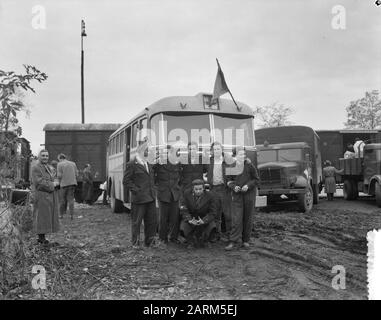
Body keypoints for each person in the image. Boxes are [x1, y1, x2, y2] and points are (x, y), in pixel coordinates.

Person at [123, 142, 157, 249]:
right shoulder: (132, 164)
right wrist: (137, 190)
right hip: (139, 199)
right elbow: (126, 181)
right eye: (148, 150)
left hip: (151, 198)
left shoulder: (148, 163)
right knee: (136, 222)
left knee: (151, 221)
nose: (149, 152)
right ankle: (135, 243)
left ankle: (149, 242)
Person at [225, 147, 259, 251]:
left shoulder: (250, 166)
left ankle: (245, 240)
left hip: (249, 195)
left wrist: (248, 186)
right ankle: (233, 241)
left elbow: (256, 179)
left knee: (248, 217)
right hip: (237, 196)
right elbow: (228, 181)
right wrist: (234, 186)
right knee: (236, 218)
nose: (243, 156)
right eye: (240, 154)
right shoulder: (231, 166)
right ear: (235, 155)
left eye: (244, 154)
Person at [30, 150, 60, 245]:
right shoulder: (36, 167)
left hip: (49, 195)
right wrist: (52, 184)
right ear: (39, 156)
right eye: (43, 155)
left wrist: (56, 182)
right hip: (41, 195)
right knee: (41, 216)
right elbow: (38, 183)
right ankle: (41, 238)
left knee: (47, 216)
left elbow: (53, 177)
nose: (45, 157)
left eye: (47, 156)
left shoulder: (48, 167)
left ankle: (43, 238)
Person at [154, 145, 182, 244]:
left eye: (170, 152)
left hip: (175, 193)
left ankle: (174, 237)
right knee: (163, 218)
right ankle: (162, 238)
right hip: (163, 193)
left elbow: (181, 177)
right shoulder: (159, 164)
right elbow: (152, 176)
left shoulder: (178, 164)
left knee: (175, 217)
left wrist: (178, 188)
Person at [179, 179, 217, 248]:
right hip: (192, 218)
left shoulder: (210, 195)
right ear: (193, 189)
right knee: (183, 226)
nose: (198, 191)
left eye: (200, 189)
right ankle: (191, 241)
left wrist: (204, 220)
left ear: (203, 188)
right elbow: (183, 209)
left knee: (212, 225)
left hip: (204, 218)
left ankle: (206, 240)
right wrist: (189, 219)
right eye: (196, 189)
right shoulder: (186, 193)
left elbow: (213, 212)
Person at [205, 141, 231, 240]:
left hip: (224, 189)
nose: (216, 151)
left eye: (218, 149)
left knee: (228, 214)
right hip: (213, 189)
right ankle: (217, 234)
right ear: (212, 151)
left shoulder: (227, 160)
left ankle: (230, 235)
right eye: (214, 149)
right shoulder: (209, 161)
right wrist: (207, 179)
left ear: (222, 150)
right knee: (215, 214)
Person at [57, 153, 79, 219]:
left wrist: (59, 183)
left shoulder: (59, 164)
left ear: (60, 158)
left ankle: (61, 215)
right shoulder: (73, 163)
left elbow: (59, 176)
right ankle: (71, 215)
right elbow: (76, 174)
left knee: (62, 200)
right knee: (71, 200)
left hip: (64, 184)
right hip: (72, 184)